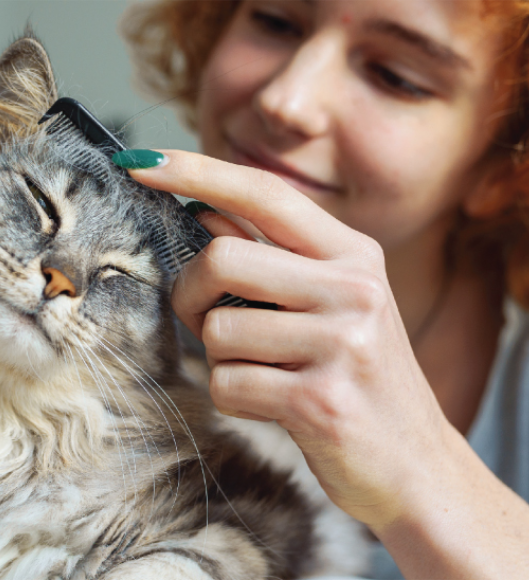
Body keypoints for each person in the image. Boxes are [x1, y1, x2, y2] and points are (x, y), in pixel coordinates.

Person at [115, 0, 529, 578]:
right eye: (275, 20)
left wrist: (422, 469)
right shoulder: (86, 330)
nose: (286, 100)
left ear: (505, 168)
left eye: (395, 76)